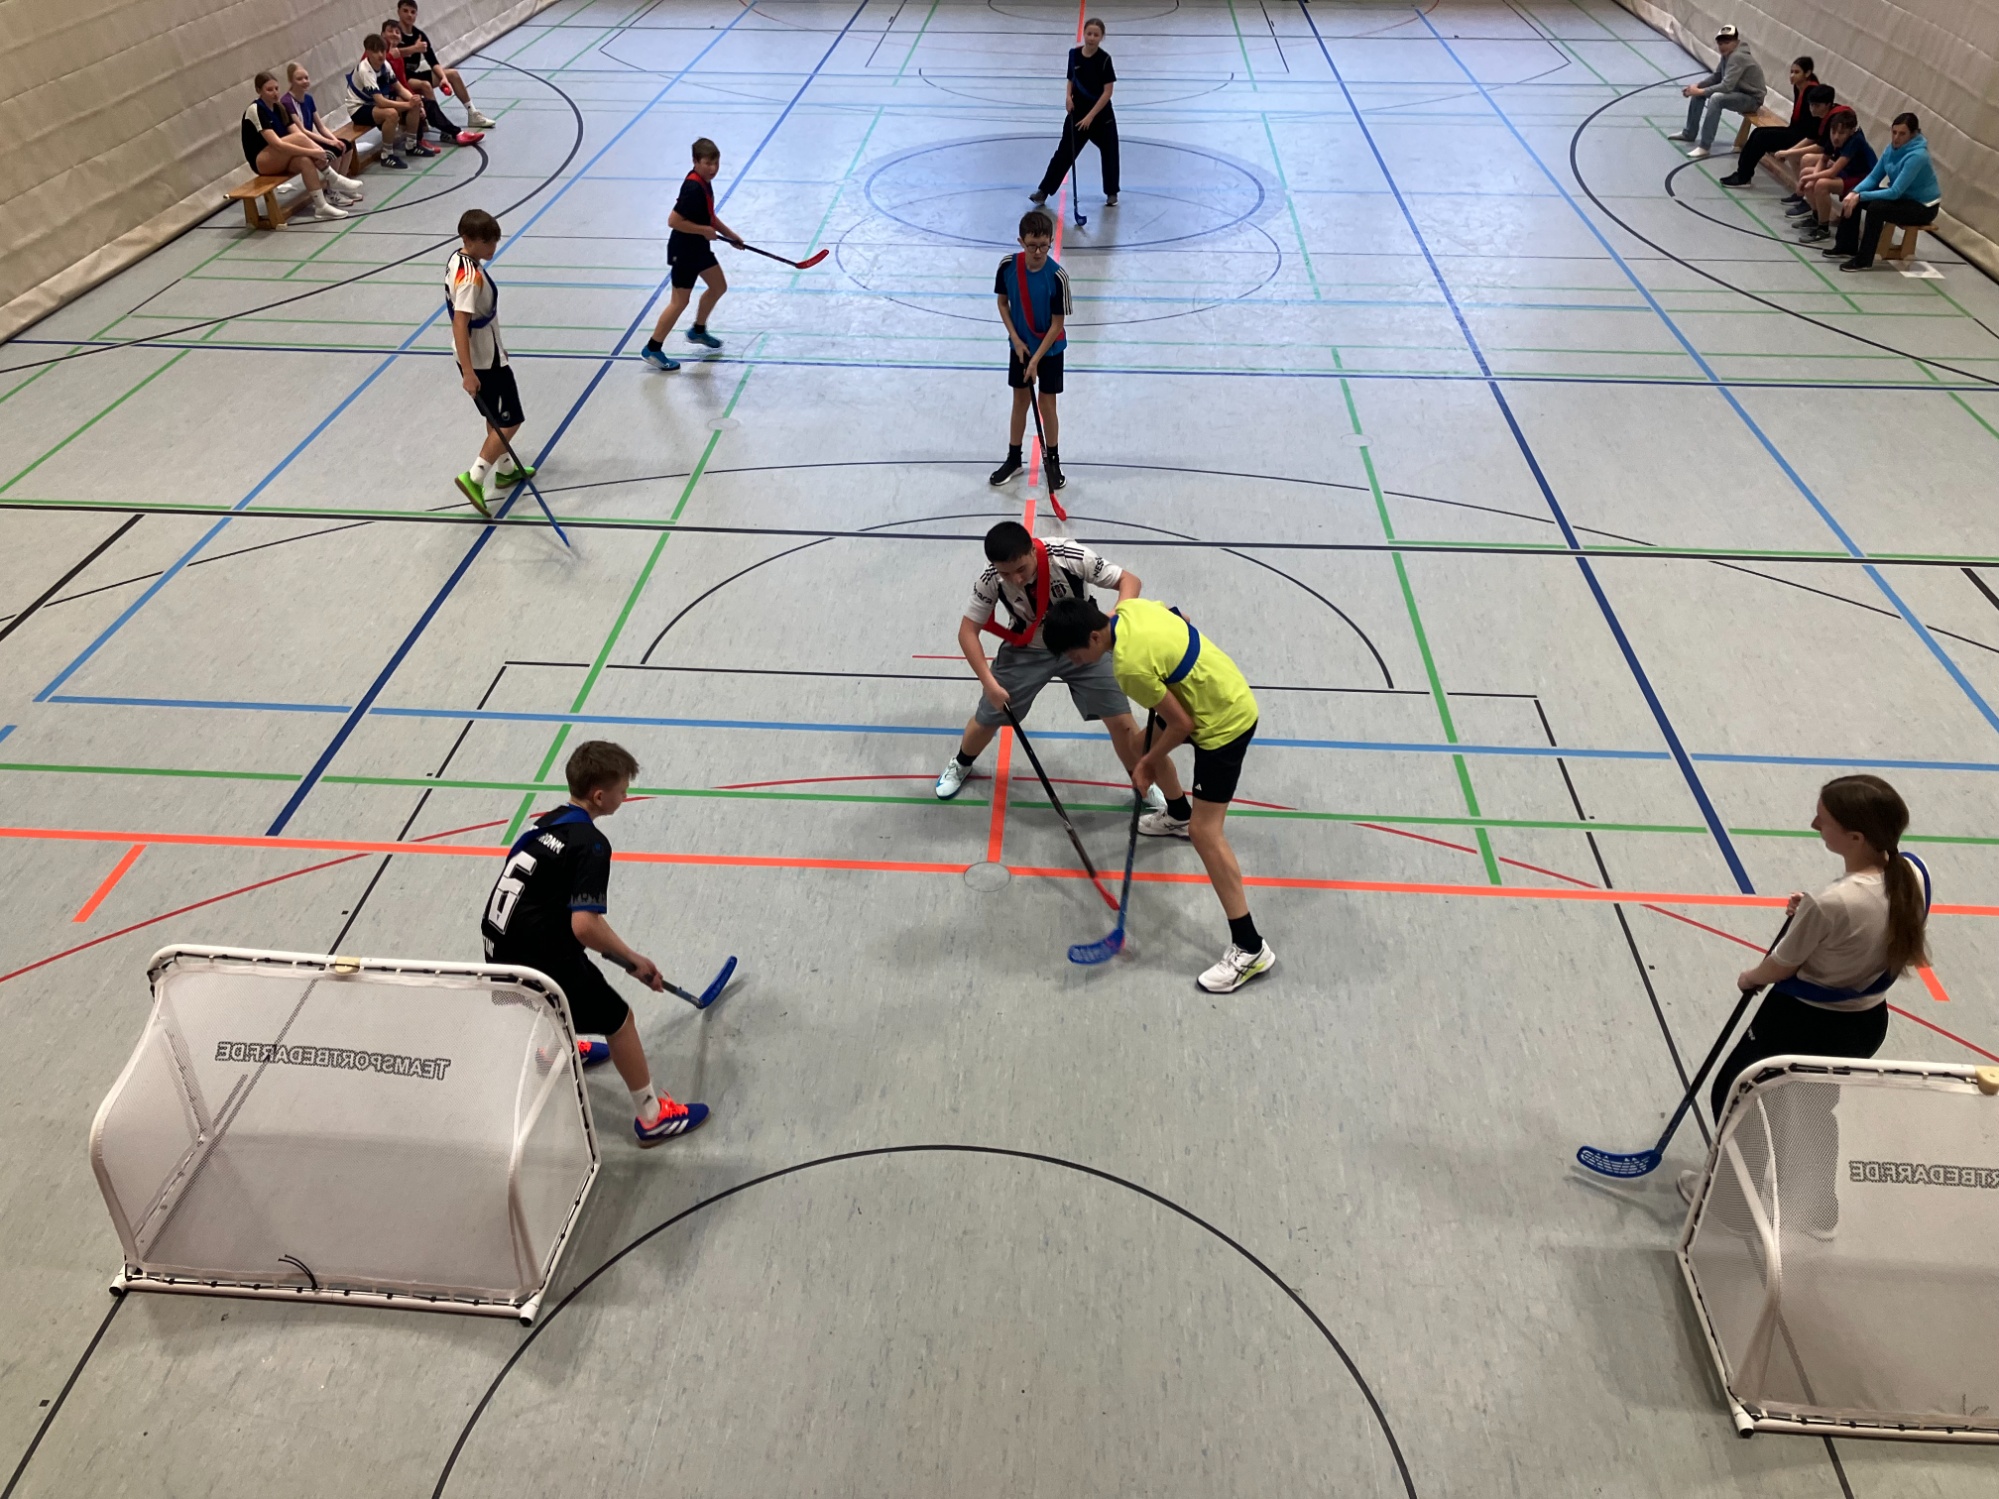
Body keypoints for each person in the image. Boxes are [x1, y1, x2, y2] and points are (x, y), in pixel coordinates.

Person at [1677, 775, 1929, 1206]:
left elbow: (1782, 964)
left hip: (1802, 1022)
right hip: (1866, 1023)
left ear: (1855, 836)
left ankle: (1733, 1200)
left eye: (1824, 819)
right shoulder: (1913, 874)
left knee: (1737, 1095)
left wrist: (1751, 977)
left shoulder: (1831, 902)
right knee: (1812, 1111)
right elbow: (1858, 923)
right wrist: (1811, 916)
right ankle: (1817, 1212)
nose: (1815, 825)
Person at [481, 741, 710, 1144]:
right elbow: (585, 926)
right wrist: (634, 960)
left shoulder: (546, 823)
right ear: (600, 797)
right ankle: (652, 1118)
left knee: (563, 998)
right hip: (538, 959)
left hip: (499, 946)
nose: (626, 796)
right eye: (623, 790)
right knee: (619, 1020)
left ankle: (555, 1049)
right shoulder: (591, 844)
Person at [1043, 595, 1274, 994]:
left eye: (1074, 655)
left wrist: (1148, 764)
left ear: (1095, 636)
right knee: (1137, 744)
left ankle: (1250, 948)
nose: (1074, 664)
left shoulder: (1128, 667)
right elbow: (1180, 615)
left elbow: (1182, 725)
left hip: (1223, 723)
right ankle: (1178, 812)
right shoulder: (1130, 611)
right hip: (1211, 689)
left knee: (1206, 833)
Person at [935, 521, 1165, 811]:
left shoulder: (1069, 556)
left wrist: (1113, 619)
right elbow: (967, 632)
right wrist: (989, 685)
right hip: (1028, 651)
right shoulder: (990, 578)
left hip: (1082, 646)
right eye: (1006, 573)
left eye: (1021, 569)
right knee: (988, 717)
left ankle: (1142, 782)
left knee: (1121, 721)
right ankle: (961, 763)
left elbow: (1129, 581)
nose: (1016, 579)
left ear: (1032, 550)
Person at [447, 210, 534, 515]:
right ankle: (474, 477)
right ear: (468, 239)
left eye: (495, 241)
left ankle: (506, 468)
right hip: (484, 360)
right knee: (511, 420)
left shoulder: (459, 259)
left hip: (483, 354)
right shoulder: (470, 278)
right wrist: (469, 372)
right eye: (487, 243)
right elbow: (460, 322)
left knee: (495, 416)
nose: (492, 248)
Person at [640, 138, 744, 371]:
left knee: (718, 286)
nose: (713, 168)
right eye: (708, 163)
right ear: (695, 161)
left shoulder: (705, 183)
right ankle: (653, 348)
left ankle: (698, 330)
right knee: (680, 301)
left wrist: (730, 236)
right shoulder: (692, 188)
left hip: (698, 248)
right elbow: (674, 221)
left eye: (716, 163)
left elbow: (709, 216)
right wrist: (703, 231)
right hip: (684, 251)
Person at [989, 210, 1072, 491]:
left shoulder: (1058, 277)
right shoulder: (1008, 267)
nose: (1038, 252)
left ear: (1051, 242)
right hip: (1021, 348)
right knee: (1020, 402)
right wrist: (1015, 339)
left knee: (1047, 404)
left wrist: (1036, 359)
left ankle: (1053, 461)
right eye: (1031, 245)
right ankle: (1014, 459)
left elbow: (1057, 324)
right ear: (1020, 242)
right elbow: (1003, 303)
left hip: (1049, 350)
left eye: (1043, 246)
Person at [1829, 112, 1941, 271]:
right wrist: (1855, 192)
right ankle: (1846, 246)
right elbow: (1874, 177)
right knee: (1852, 195)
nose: (1896, 138)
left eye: (1902, 134)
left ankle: (1863, 260)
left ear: (1913, 134)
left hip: (1923, 207)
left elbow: (1895, 192)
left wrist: (1860, 196)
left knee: (1876, 208)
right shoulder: (1891, 149)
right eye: (1894, 132)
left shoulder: (1917, 156)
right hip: (1904, 198)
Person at [1032, 17, 1118, 209]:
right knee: (1063, 153)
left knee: (1110, 152)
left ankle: (1111, 192)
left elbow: (1107, 92)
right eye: (1089, 33)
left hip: (1101, 117)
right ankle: (1043, 191)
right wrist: (1068, 98)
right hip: (1078, 114)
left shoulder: (1105, 60)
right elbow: (1071, 79)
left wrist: (1090, 117)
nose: (1092, 38)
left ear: (1102, 37)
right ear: (1084, 34)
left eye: (1096, 35)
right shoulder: (1074, 55)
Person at [240, 71, 350, 219]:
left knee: (304, 161)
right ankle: (332, 176)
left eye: (276, 88)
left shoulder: (279, 108)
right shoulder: (255, 110)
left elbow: (299, 135)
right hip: (262, 161)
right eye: (269, 90)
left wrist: (324, 146)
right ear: (258, 91)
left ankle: (321, 206)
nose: (275, 93)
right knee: (300, 142)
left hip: (279, 157)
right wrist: (315, 152)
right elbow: (278, 144)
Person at [1669, 24, 1766, 160]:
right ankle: (1689, 133)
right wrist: (1697, 86)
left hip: (1752, 99)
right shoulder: (1728, 55)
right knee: (1700, 93)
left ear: (1736, 42)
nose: (1723, 46)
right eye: (1720, 43)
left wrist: (1700, 91)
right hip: (1739, 93)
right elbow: (1717, 76)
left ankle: (1705, 146)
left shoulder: (1738, 57)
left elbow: (1726, 87)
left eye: (1727, 42)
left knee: (1716, 98)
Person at [396, 0, 497, 130]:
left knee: (452, 74)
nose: (409, 15)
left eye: (413, 12)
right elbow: (390, 54)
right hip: (399, 79)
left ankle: (473, 114)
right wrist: (414, 49)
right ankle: (442, 125)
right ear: (398, 12)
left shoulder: (419, 35)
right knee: (425, 85)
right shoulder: (394, 33)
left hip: (413, 75)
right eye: (405, 11)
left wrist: (443, 78)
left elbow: (433, 62)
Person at [1718, 55, 1815, 186]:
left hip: (1804, 137)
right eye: (1791, 72)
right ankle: (1742, 173)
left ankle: (1743, 177)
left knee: (1761, 139)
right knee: (1757, 133)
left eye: (1797, 72)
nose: (1792, 76)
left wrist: (1789, 148)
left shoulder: (1812, 93)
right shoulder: (1799, 87)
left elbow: (1811, 128)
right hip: (1794, 130)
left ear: (1807, 73)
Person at [381, 19, 472, 146]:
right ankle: (413, 144)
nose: (394, 34)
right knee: (418, 97)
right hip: (379, 98)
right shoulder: (379, 53)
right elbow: (381, 79)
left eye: (397, 32)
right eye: (390, 31)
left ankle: (458, 129)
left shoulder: (415, 40)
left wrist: (418, 99)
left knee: (426, 103)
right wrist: (413, 49)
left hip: (397, 90)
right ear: (382, 35)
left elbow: (402, 84)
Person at [1791, 108, 1874, 244]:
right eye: (1833, 131)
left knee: (1821, 184)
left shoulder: (1856, 141)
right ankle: (1816, 217)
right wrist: (1810, 178)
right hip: (1848, 173)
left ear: (1851, 131)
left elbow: (1832, 172)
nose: (1836, 136)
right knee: (1807, 173)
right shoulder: (1834, 138)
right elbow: (1823, 160)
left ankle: (1823, 229)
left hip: (1863, 179)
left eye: (1841, 133)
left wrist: (1807, 179)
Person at [343, 32, 426, 168]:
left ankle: (412, 145)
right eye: (376, 51)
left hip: (373, 103)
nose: (381, 55)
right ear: (368, 53)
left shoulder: (385, 65)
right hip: (359, 108)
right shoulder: (365, 70)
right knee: (391, 113)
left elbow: (399, 88)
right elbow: (381, 102)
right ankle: (386, 155)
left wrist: (414, 101)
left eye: (383, 51)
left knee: (414, 104)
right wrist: (407, 104)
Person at [282, 62, 366, 193]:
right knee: (333, 152)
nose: (304, 81)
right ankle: (331, 191)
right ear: (291, 81)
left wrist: (334, 140)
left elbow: (320, 127)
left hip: (310, 139)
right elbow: (302, 131)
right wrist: (330, 142)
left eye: (306, 78)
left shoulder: (308, 98)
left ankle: (340, 185)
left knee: (346, 146)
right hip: (300, 143)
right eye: (299, 79)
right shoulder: (287, 102)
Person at [1768, 84, 1838, 214]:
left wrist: (1787, 151)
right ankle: (1801, 192)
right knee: (1793, 156)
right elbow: (1811, 138)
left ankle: (1808, 201)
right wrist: (1789, 152)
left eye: (1817, 106)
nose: (1812, 109)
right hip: (1830, 154)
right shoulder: (1819, 116)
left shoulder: (1835, 119)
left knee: (1807, 159)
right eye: (1811, 105)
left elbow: (1820, 147)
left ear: (1828, 104)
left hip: (1841, 158)